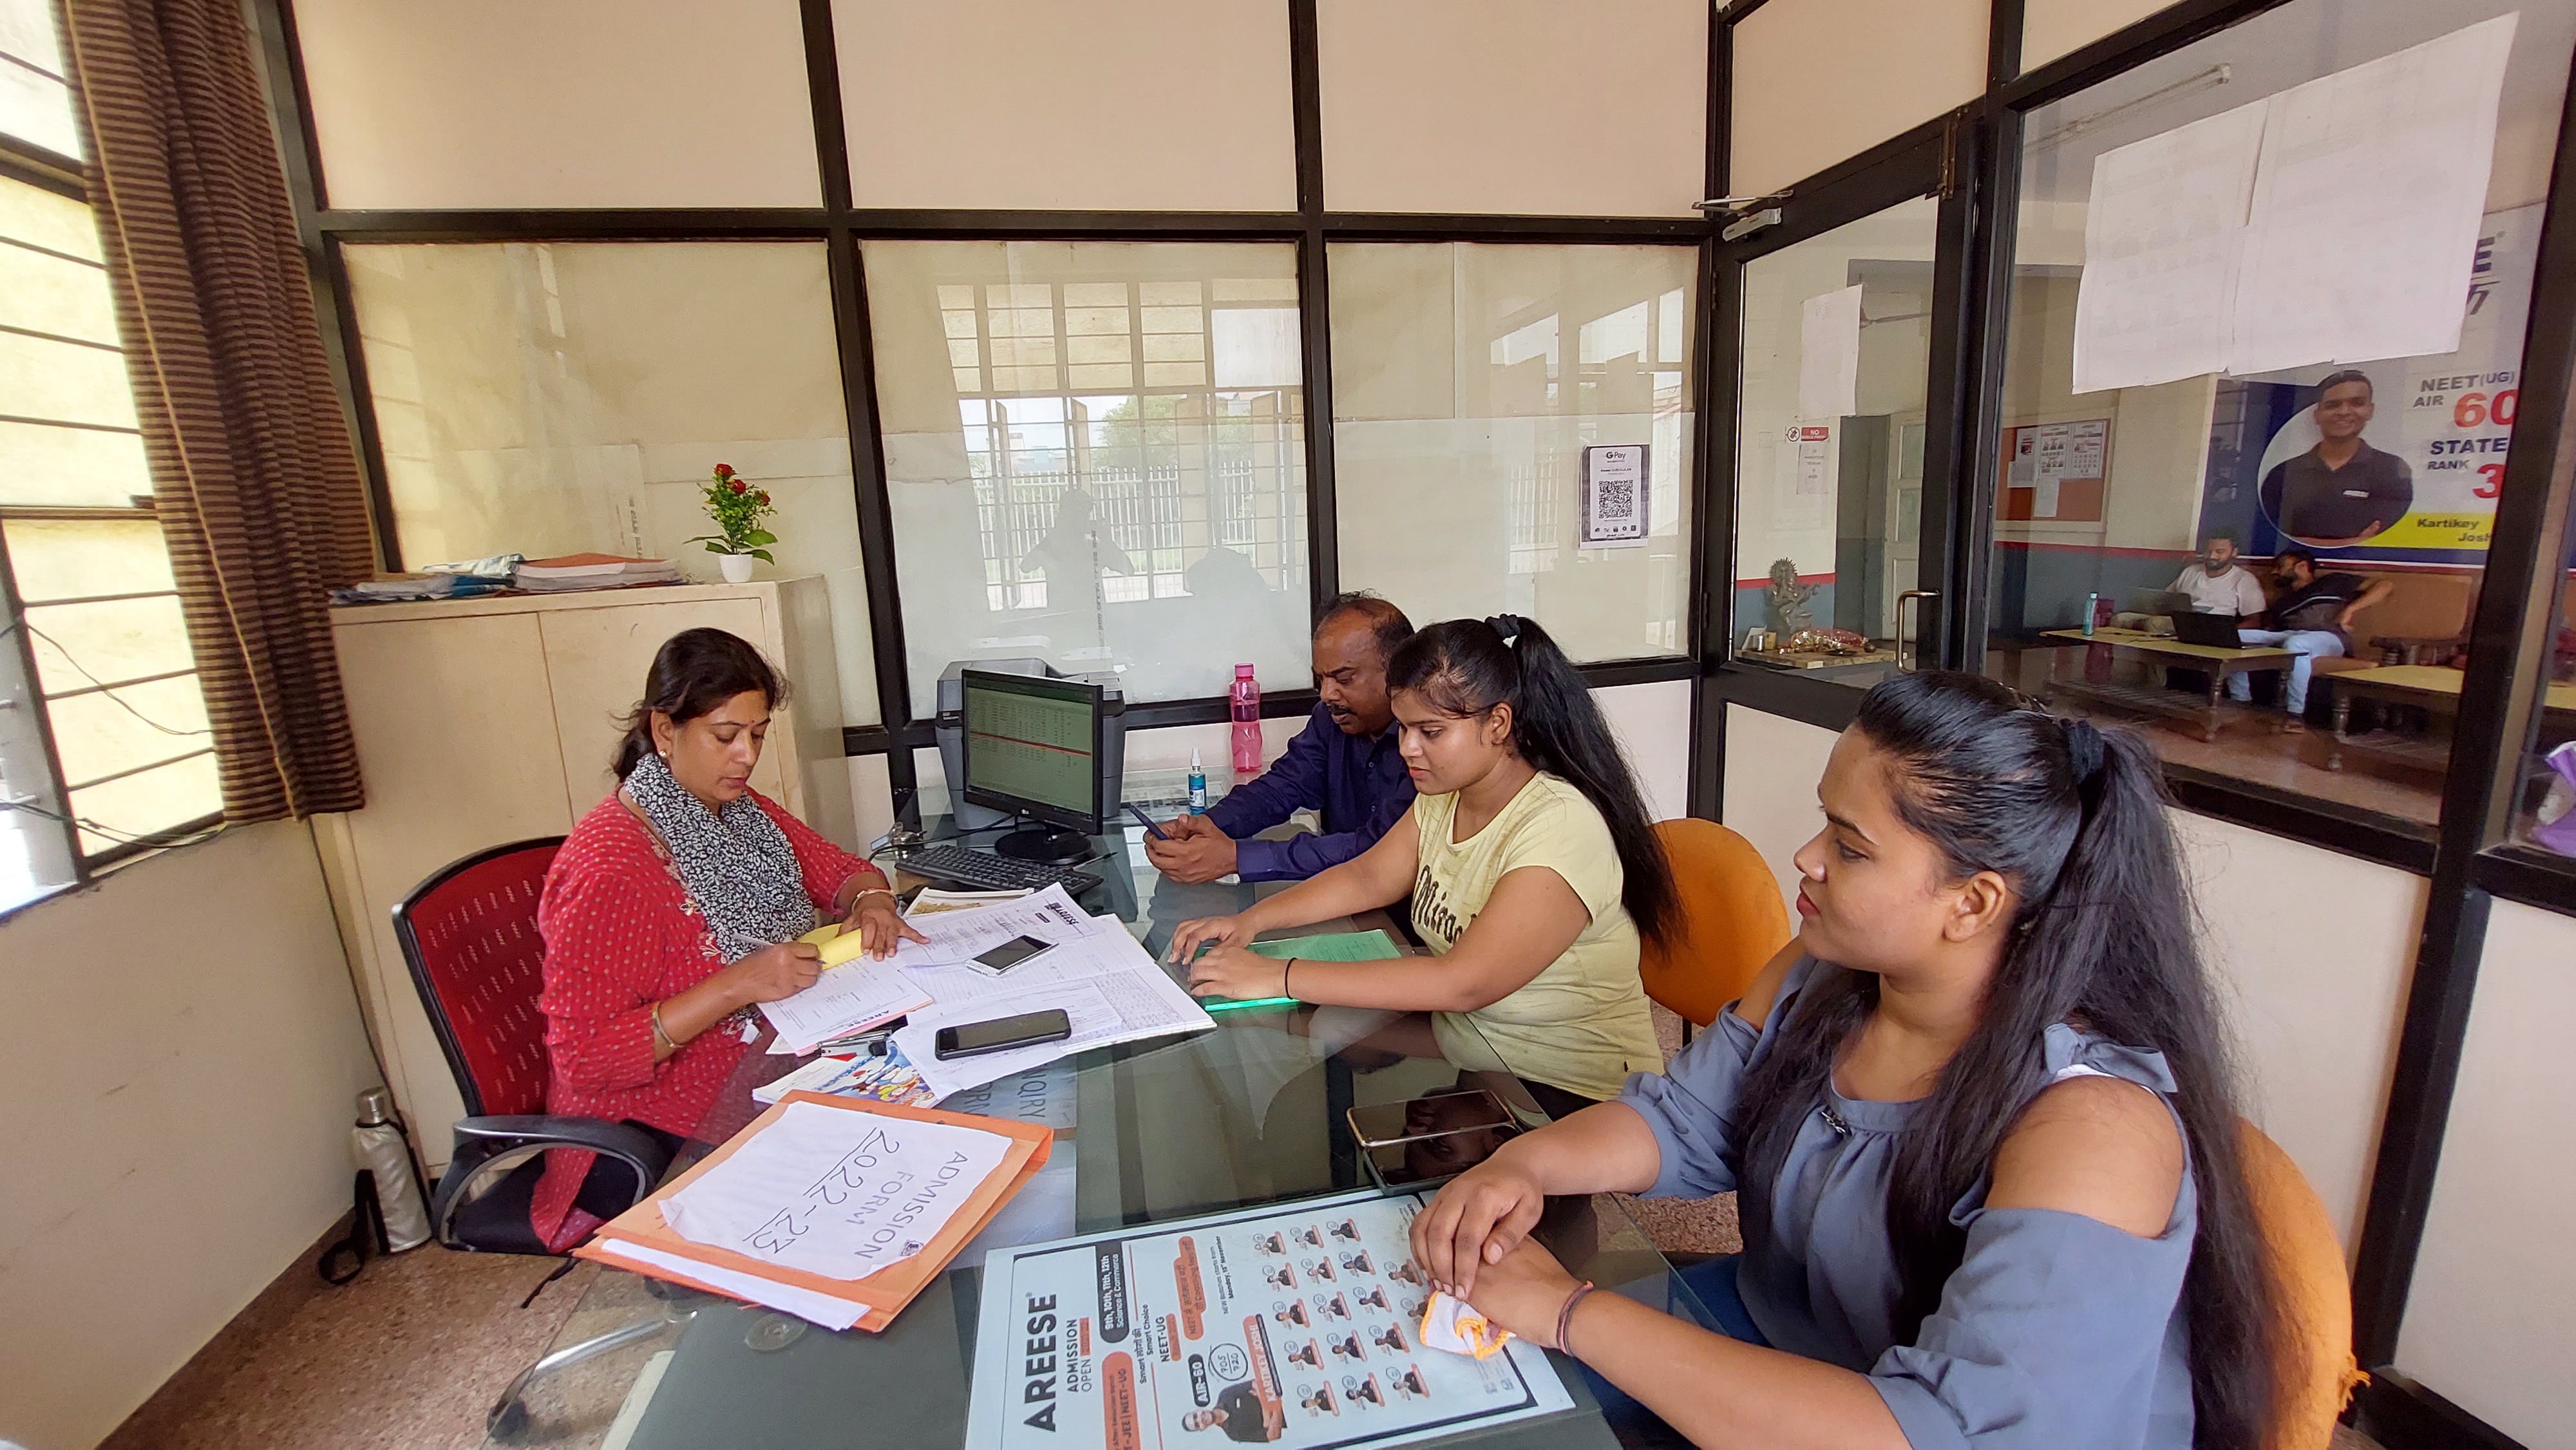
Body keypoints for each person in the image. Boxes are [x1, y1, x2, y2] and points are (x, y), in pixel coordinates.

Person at [1405, 671, 2287, 1449]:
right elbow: (1685, 1118)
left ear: (1973, 902)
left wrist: (1569, 1310)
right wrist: (1522, 1163)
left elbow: (1943, 1431)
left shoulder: (2094, 1130)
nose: (1807, 857)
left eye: (1851, 847)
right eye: (1825, 822)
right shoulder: (1824, 972)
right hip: (1785, 1341)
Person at [1168, 615, 1675, 1116]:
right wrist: (1251, 921)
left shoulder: (1559, 828)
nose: (1408, 748)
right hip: (1476, 1037)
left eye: (1430, 731)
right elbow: (1367, 876)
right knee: (1287, 1035)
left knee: (1303, 1034)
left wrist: (1278, 975)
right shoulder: (1446, 796)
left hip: (1560, 1079)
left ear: (1497, 724)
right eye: (1405, 727)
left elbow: (1463, 983)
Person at [529, 628, 925, 1250]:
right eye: (724, 736)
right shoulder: (610, 868)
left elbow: (836, 868)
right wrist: (736, 983)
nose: (745, 755)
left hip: (769, 1051)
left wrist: (872, 899)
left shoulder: (736, 809)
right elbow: (587, 1059)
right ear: (664, 732)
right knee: (882, 1178)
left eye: (758, 735)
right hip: (659, 1124)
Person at [1148, 592, 1417, 884]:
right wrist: (1206, 826)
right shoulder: (1329, 720)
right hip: (1344, 896)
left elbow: (1378, 847)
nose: (1327, 694)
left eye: (1344, 679)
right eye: (1320, 680)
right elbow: (1281, 787)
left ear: (1397, 672)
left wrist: (1236, 857)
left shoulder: (1426, 746)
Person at [2227, 545, 2391, 730]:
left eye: (2281, 566)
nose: (2274, 572)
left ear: (2302, 566)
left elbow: (2385, 586)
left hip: (2329, 638)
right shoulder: (2283, 603)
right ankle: (2240, 701)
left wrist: (2350, 610)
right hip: (2289, 635)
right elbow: (2274, 631)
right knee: (2234, 637)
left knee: (2297, 644)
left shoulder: (2333, 582)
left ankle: (2295, 714)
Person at [2259, 370, 2413, 545]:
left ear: (2370, 411)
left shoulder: (2393, 470)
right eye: (2333, 405)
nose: (2344, 412)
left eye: (2357, 403)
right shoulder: (2282, 474)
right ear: (2317, 415)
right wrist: (2351, 540)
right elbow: (2273, 536)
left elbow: (2380, 538)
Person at [2166, 529, 2266, 617]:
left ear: (2234, 552)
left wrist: (2227, 633)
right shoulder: (2190, 572)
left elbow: (2254, 621)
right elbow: (2166, 600)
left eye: (2219, 552)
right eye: (2208, 551)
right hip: (2181, 626)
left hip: (2218, 633)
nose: (2212, 556)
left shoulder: (2244, 579)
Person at [1181, 1382, 1283, 1442]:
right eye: (1197, 1425)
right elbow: (1273, 1435)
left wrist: (1267, 1415)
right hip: (1293, 1416)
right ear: (1202, 1429)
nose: (1200, 1419)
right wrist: (1276, 1408)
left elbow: (1257, 1383)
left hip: (1285, 1389)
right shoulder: (1234, 1434)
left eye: (1195, 1416)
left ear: (1198, 1410)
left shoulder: (1225, 1395)